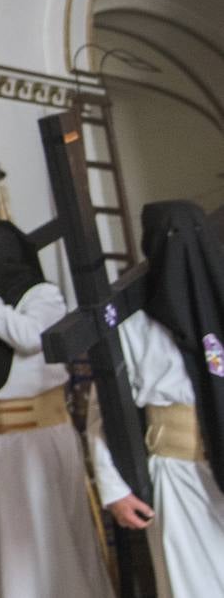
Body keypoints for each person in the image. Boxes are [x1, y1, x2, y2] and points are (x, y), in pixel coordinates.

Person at [0, 221, 112, 598]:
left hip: (38, 441)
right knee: (1, 556)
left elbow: (30, 337)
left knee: (50, 548)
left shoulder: (42, 297)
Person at [87, 200, 224, 596]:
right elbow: (105, 409)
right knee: (189, 587)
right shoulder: (132, 320)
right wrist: (114, 489)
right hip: (176, 473)